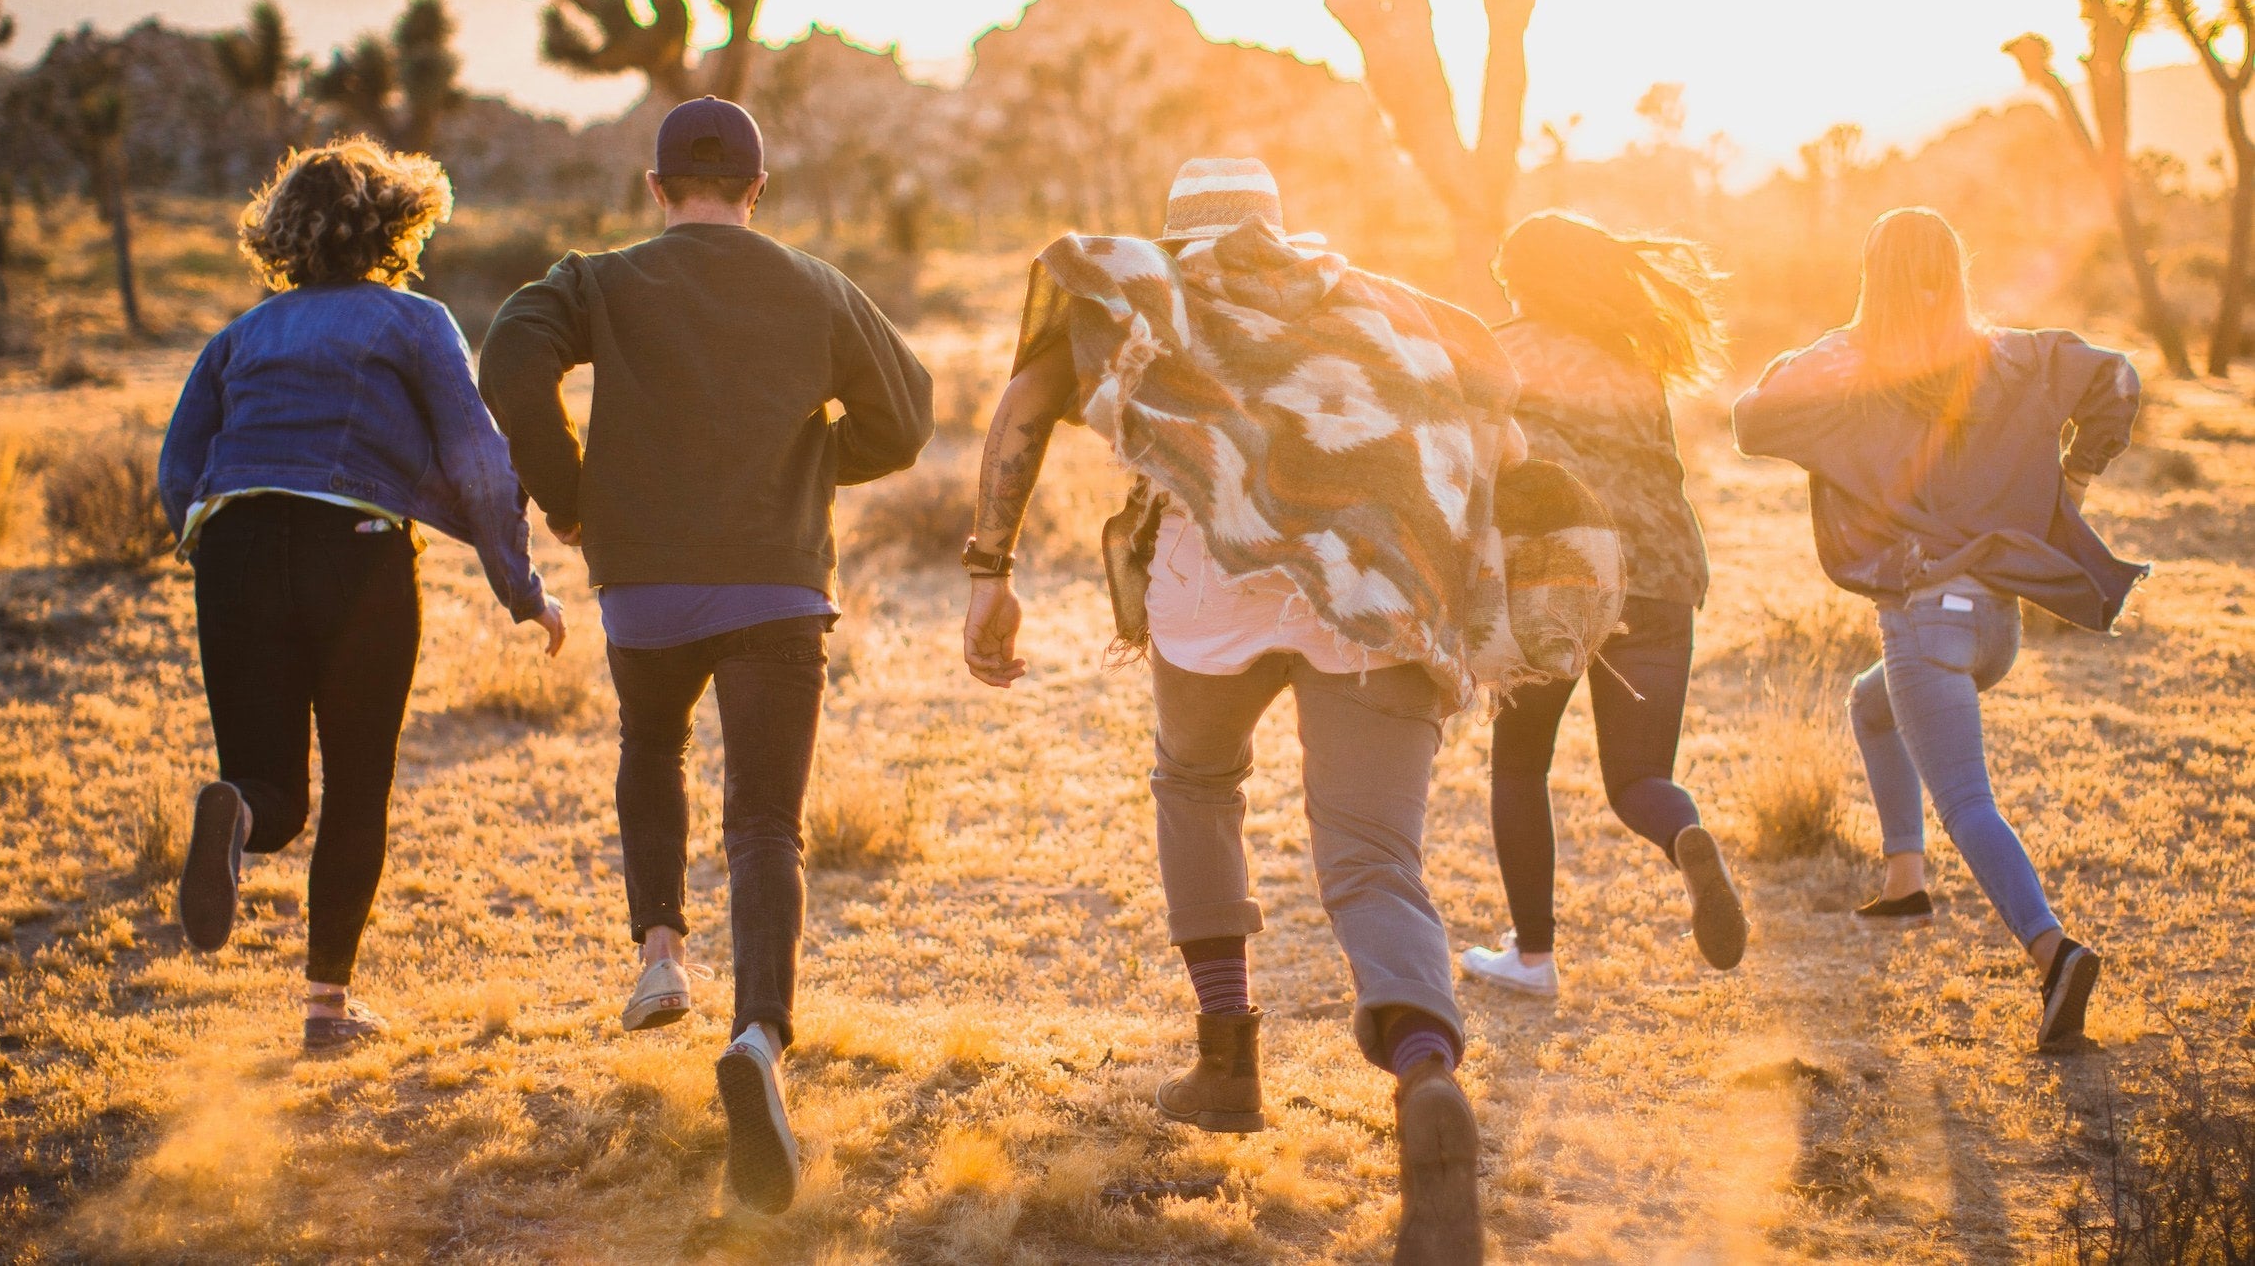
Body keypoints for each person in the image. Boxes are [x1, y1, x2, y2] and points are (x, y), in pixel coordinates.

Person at [964, 158, 1621, 1266]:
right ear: (1280, 227)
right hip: (1375, 596)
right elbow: (1495, 416)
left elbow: (1024, 403)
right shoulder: (1380, 308)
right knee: (1371, 858)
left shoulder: (1156, 294)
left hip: (1209, 598)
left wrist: (991, 566)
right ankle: (1424, 1076)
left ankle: (1225, 1061)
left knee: (1197, 785)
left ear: (1178, 235)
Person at [476, 96, 933, 1215]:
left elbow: (506, 361)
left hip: (645, 587)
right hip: (779, 579)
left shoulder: (600, 280)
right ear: (757, 191)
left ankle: (661, 958)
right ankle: (761, 1039)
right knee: (766, 821)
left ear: (657, 187)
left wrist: (571, 492)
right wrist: (816, 458)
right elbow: (909, 414)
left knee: (650, 745)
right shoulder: (817, 287)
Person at [159, 137, 564, 1053]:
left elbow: (179, 462)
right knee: (355, 786)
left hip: (236, 543)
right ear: (396, 224)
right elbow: (478, 460)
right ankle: (325, 1011)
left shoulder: (241, 335)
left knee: (274, 789)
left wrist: (210, 546)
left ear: (283, 234)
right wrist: (522, 588)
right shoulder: (415, 322)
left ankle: (239, 810)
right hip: (357, 551)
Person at [1733, 206, 2145, 1051]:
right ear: (1955, 271)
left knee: (1967, 800)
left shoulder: (1852, 364)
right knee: (1869, 704)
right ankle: (1905, 876)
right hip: (1995, 623)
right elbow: (2119, 378)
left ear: (1870, 279)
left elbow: (1752, 415)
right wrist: (2076, 476)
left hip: (1925, 619)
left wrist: (1830, 343)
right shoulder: (2010, 353)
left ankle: (2053, 952)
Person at [1459, 212, 1749, 998]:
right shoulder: (1633, 362)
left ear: (1524, 280)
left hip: (1557, 581)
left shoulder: (1500, 351)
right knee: (1638, 778)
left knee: (1520, 765)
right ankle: (1683, 834)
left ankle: (1533, 958)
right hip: (1661, 576)